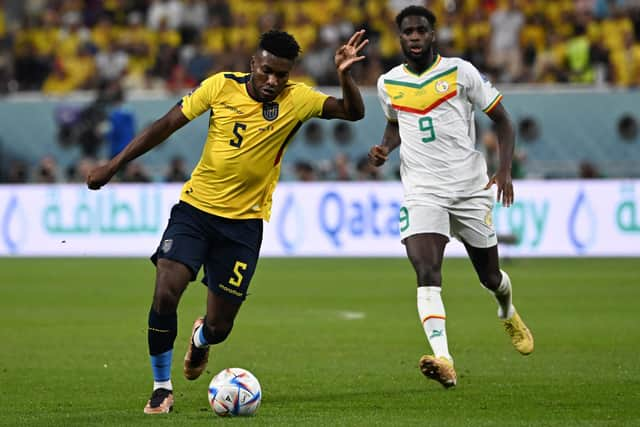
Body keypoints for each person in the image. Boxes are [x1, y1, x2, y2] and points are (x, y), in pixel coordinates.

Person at [86, 29, 368, 414]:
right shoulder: (220, 87)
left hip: (243, 226)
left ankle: (201, 339)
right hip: (195, 211)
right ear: (253, 63)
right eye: (267, 71)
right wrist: (114, 165)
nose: (273, 81)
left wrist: (345, 76)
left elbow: (354, 113)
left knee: (219, 328)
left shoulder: (298, 99)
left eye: (281, 75)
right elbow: (166, 125)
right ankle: (161, 387)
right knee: (167, 289)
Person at [368, 6, 533, 389]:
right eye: (407, 31)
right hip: (422, 191)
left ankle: (506, 309)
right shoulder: (387, 83)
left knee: (490, 276)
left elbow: (504, 120)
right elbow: (396, 124)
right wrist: (383, 148)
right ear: (400, 37)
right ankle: (444, 359)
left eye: (420, 30)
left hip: (469, 189)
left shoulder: (461, 72)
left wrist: (504, 170)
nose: (414, 36)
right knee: (427, 273)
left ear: (432, 34)